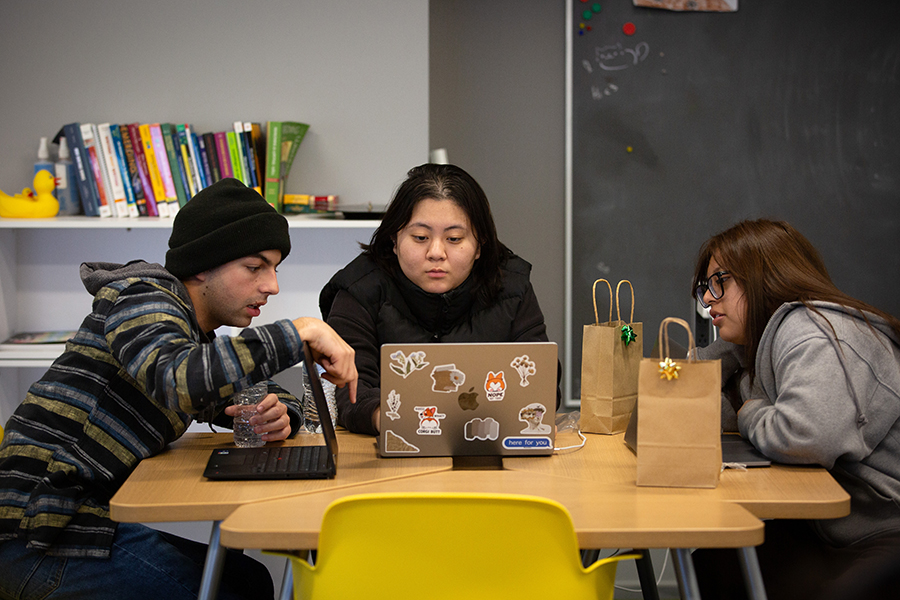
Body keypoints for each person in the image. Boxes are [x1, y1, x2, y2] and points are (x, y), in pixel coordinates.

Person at [0, 178, 357, 600]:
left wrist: (279, 414)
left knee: (250, 580)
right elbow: (177, 377)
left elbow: (232, 381)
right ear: (203, 264)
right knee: (240, 592)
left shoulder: (193, 338)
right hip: (38, 534)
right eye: (255, 267)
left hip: (77, 523)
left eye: (275, 269)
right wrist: (299, 331)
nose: (271, 286)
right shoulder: (143, 297)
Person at [689, 219, 900, 600]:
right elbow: (687, 391)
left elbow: (806, 436)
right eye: (706, 288)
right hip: (832, 525)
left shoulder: (812, 331)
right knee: (716, 563)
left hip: (884, 531)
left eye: (720, 282)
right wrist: (727, 356)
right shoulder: (759, 342)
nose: (707, 301)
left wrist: (748, 412)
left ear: (763, 276)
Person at [319, 163, 559, 436]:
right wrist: (390, 421)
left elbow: (544, 385)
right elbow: (349, 390)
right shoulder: (359, 290)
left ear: (480, 245)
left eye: (454, 238)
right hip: (390, 453)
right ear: (394, 240)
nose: (436, 252)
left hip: (487, 449)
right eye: (420, 237)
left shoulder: (511, 287)